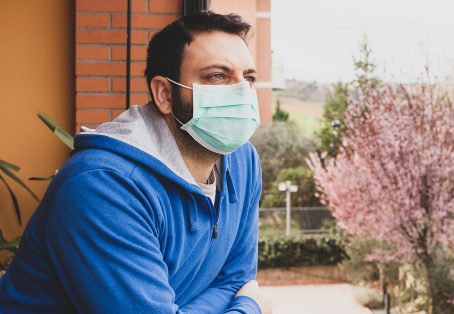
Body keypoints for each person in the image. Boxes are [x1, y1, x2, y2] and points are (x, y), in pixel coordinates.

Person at [0, 11, 271, 314]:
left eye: (248, 78)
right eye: (217, 76)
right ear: (165, 94)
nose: (240, 92)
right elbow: (244, 293)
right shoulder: (103, 186)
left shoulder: (244, 163)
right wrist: (249, 307)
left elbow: (236, 279)